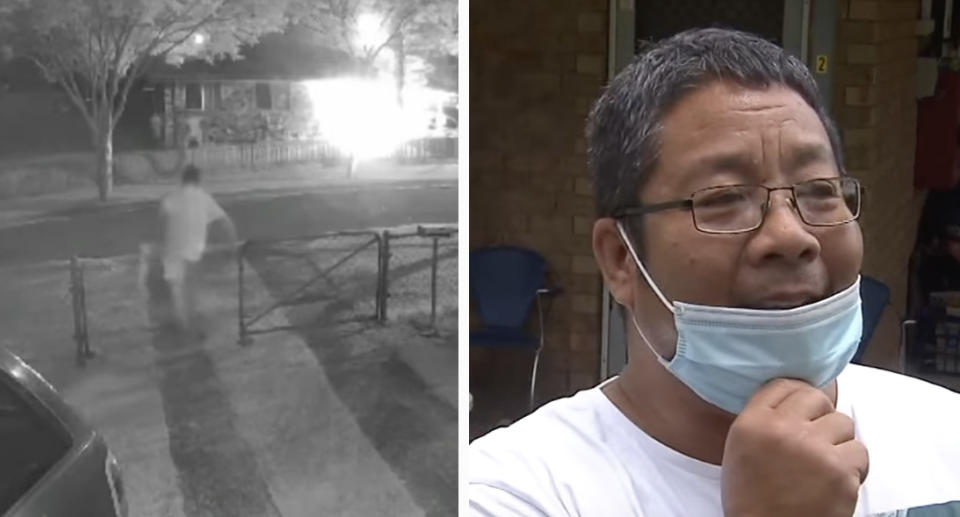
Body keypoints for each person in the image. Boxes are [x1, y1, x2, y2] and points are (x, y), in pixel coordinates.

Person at [469, 28, 960, 516]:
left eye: (820, 190)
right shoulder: (510, 494)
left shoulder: (946, 440)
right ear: (620, 259)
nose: (790, 237)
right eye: (723, 199)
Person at [157, 164, 237, 334]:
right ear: (199, 180)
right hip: (194, 250)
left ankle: (182, 323)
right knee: (191, 287)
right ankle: (190, 323)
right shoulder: (204, 198)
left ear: (183, 179)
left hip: (173, 249)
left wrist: (163, 241)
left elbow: (162, 218)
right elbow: (226, 222)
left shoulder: (173, 197)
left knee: (176, 287)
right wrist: (232, 245)